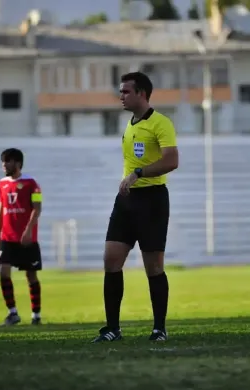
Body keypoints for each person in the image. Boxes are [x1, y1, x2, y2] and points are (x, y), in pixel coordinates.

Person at [92, 72, 179, 343]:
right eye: (121, 91)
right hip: (127, 201)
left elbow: (172, 160)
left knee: (153, 267)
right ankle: (113, 328)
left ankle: (159, 328)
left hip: (152, 200)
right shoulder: (130, 123)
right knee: (111, 260)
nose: (121, 96)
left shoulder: (160, 123)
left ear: (141, 93)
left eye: (126, 92)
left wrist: (138, 173)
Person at [0, 148, 44, 325]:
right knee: (3, 273)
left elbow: (37, 208)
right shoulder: (1, 184)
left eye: (7, 161)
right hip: (7, 238)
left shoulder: (32, 184)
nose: (4, 165)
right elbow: (1, 209)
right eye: (3, 162)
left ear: (17, 163)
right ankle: (12, 312)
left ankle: (36, 315)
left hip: (26, 239)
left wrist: (29, 230)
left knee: (31, 276)